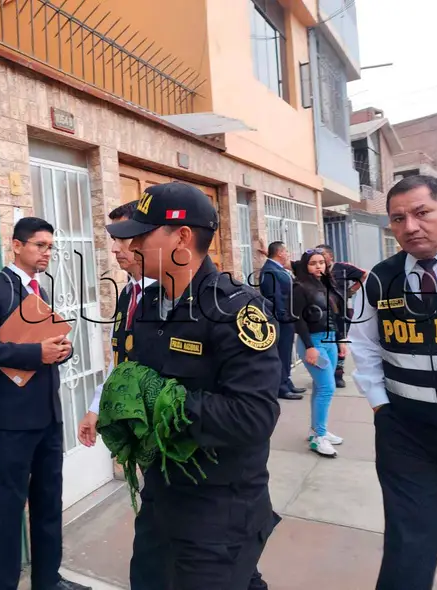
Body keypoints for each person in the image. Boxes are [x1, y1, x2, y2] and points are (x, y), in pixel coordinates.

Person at [106, 181, 282, 590]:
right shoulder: (148, 306)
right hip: (163, 495)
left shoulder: (238, 311)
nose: (130, 244)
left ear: (181, 237)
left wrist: (165, 404)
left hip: (220, 505)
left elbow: (254, 416)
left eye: (142, 234)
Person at [349, 175, 437, 590]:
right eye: (398, 218)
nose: (409, 226)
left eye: (421, 213)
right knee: (407, 544)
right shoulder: (380, 278)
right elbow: (362, 344)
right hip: (406, 432)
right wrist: (380, 404)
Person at [0, 217, 89, 590]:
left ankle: (47, 581)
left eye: (50, 247)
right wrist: (38, 352)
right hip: (13, 420)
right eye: (39, 245)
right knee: (8, 506)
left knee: (49, 503)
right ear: (16, 245)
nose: (46, 253)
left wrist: (61, 351)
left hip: (49, 415)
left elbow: (47, 345)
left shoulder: (42, 290)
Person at [77, 200, 164, 590]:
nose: (114, 248)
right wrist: (98, 407)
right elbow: (123, 361)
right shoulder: (129, 295)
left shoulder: (172, 298)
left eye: (123, 238)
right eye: (112, 239)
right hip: (145, 440)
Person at [291, 249, 347, 457]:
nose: (318, 266)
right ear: (306, 266)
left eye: (321, 262)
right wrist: (309, 347)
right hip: (313, 342)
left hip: (330, 340)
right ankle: (318, 438)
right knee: (327, 388)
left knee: (320, 387)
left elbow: (336, 314)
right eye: (313, 263)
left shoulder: (328, 285)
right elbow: (297, 319)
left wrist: (341, 339)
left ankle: (317, 430)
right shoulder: (300, 287)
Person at [315, 244, 366, 389]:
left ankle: (338, 375)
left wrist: (351, 291)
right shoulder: (315, 270)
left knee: (340, 343)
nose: (319, 257)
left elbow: (364, 275)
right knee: (322, 343)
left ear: (330, 256)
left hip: (340, 312)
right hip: (320, 312)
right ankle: (323, 373)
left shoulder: (343, 268)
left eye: (322, 254)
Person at [259, 241, 305, 400]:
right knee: (282, 354)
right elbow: (274, 296)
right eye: (286, 251)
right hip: (280, 320)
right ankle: (281, 387)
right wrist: (283, 317)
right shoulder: (270, 271)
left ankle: (287, 381)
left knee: (286, 354)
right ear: (279, 253)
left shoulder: (278, 269)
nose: (288, 254)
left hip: (288, 317)